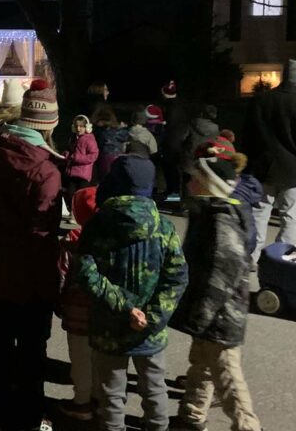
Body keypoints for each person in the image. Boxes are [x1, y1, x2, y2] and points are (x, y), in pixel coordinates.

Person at [0, 79, 62, 431]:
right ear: (50, 124)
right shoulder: (45, 169)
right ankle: (29, 417)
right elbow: (42, 229)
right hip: (29, 273)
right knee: (31, 350)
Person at [75, 154, 188, 431]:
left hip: (108, 328)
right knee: (154, 389)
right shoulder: (164, 227)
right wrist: (152, 316)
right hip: (151, 330)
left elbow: (86, 274)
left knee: (112, 394)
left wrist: (125, 309)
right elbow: (177, 276)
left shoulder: (97, 225)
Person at [172, 138, 263, 431]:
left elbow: (220, 276)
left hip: (219, 315)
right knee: (202, 364)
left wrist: (200, 316)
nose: (188, 183)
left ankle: (247, 426)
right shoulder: (207, 212)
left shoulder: (221, 221)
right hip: (209, 311)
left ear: (207, 184)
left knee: (227, 377)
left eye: (194, 179)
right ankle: (191, 417)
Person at [242, 59, 296, 263]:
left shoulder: (261, 101)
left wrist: (247, 165)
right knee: (288, 217)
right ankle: (283, 257)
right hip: (292, 171)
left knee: (259, 214)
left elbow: (248, 135)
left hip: (263, 168)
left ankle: (252, 255)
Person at [55, 186, 99, 421]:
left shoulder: (71, 239)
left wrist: (59, 302)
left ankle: (82, 401)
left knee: (80, 358)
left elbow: (61, 274)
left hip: (77, 312)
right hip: (106, 312)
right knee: (101, 357)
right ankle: (103, 399)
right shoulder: (112, 238)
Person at [62, 115, 99, 220]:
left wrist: (76, 157)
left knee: (81, 196)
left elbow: (93, 156)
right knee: (70, 194)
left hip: (83, 174)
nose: (78, 129)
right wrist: (66, 154)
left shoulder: (89, 140)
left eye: (81, 126)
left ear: (87, 127)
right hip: (72, 172)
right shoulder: (73, 138)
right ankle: (73, 214)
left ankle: (80, 216)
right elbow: (71, 151)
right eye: (76, 126)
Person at [160, 80, 189, 202]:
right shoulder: (181, 105)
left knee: (170, 169)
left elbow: (168, 126)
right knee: (175, 169)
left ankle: (173, 194)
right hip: (180, 141)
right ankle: (174, 193)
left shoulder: (169, 107)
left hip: (170, 142)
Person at [92, 105, 129, 181]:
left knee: (105, 180)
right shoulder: (119, 131)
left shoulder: (99, 130)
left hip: (104, 156)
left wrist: (97, 109)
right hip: (117, 156)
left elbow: (92, 121)